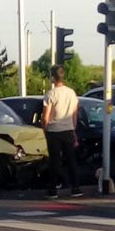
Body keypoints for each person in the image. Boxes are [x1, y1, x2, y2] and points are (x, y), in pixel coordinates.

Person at [42, 65, 82, 199]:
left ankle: (52, 190)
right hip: (68, 129)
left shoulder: (50, 94)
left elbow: (45, 116)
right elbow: (75, 113)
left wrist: (45, 128)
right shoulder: (71, 93)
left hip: (54, 131)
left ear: (53, 77)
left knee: (55, 161)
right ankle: (75, 188)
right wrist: (73, 129)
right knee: (71, 160)